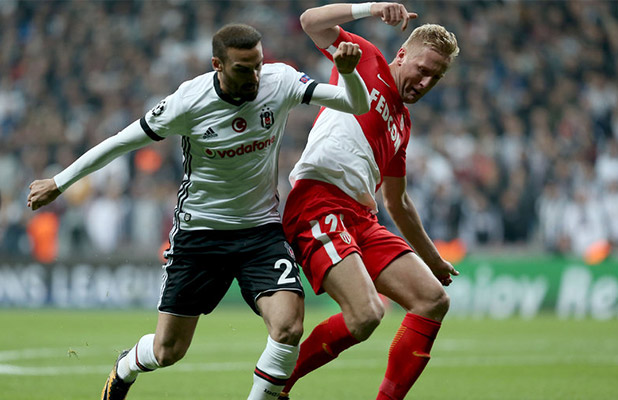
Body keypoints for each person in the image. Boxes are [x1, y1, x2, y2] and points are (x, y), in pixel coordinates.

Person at [26, 23, 370, 400]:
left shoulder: (280, 81)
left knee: (288, 326)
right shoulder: (188, 102)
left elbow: (357, 104)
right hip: (200, 234)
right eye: (243, 69)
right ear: (217, 65)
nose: (254, 77)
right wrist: (58, 182)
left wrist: (348, 74)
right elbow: (120, 142)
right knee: (168, 350)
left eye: (258, 65)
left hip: (260, 231)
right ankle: (126, 365)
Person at [279, 3, 460, 400]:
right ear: (402, 54)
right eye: (422, 69)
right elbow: (310, 22)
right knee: (366, 314)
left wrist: (433, 259)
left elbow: (398, 202)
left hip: (362, 218)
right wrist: (372, 8)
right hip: (318, 202)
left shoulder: (402, 124)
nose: (426, 82)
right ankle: (277, 385)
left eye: (436, 77)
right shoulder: (367, 61)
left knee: (432, 300)